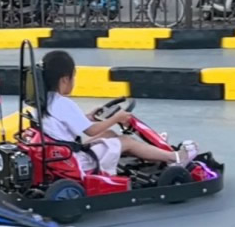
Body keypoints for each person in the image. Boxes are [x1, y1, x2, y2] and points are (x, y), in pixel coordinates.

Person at [39, 51, 198, 175]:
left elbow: (65, 123)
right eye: (73, 78)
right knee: (126, 141)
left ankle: (154, 152)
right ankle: (175, 157)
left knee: (109, 134)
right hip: (75, 160)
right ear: (65, 79)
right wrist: (116, 118)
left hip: (59, 155)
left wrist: (89, 117)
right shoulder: (64, 103)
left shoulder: (45, 101)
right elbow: (91, 131)